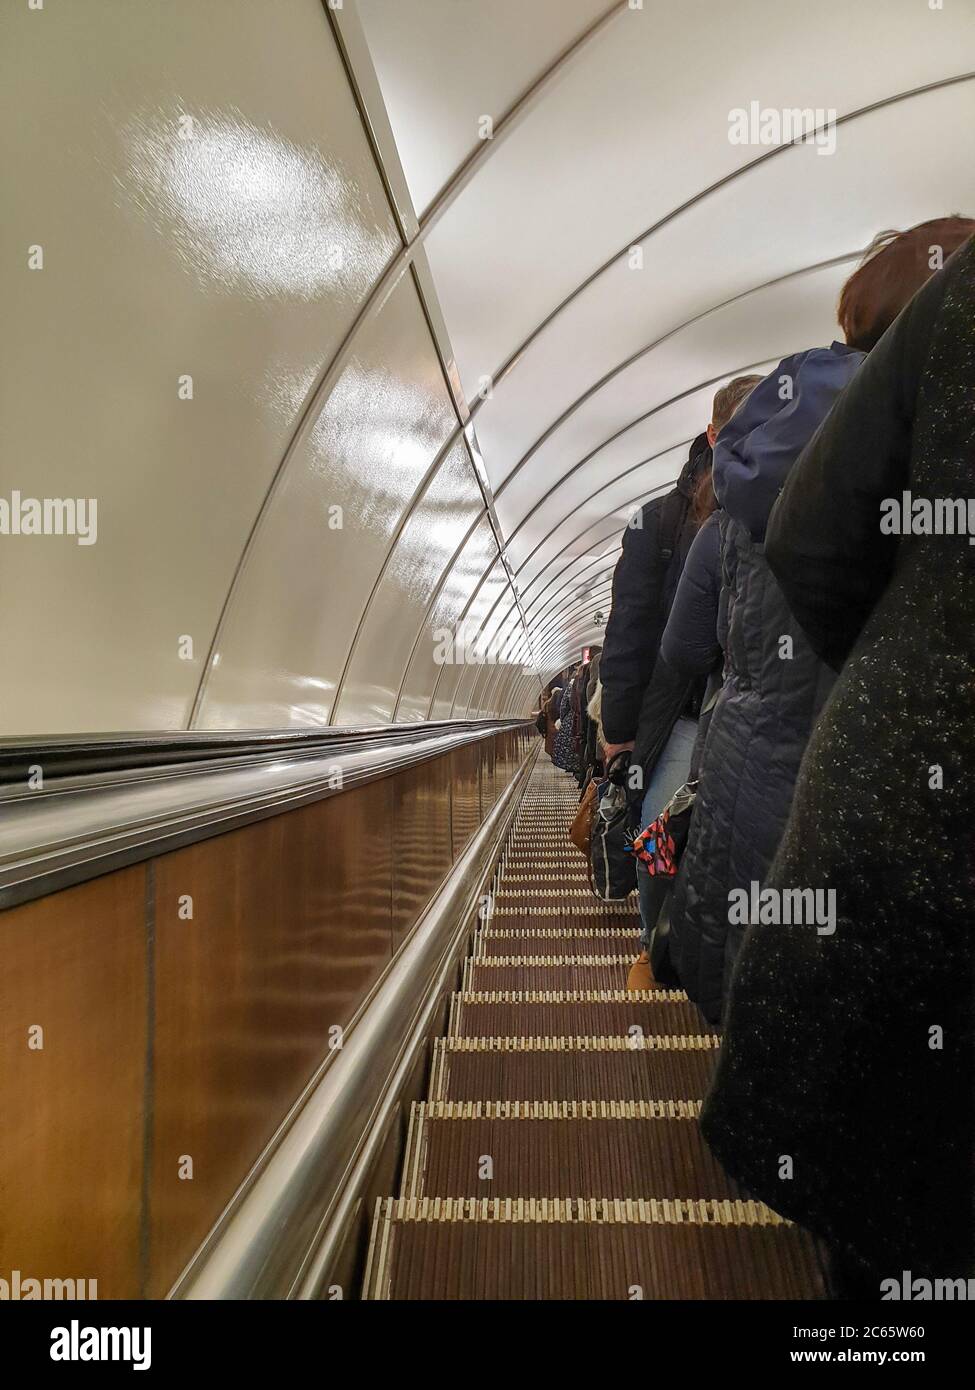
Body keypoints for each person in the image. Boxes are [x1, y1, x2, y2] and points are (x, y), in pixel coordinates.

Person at [702, 229, 975, 1296]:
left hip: (906, 814)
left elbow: (812, 533)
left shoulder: (956, 309)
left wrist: (910, 669)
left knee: (891, 1172)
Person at [667, 216, 975, 1026]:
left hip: (746, 757)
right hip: (838, 781)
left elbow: (696, 642)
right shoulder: (918, 437)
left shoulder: (769, 434)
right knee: (822, 1025)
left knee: (760, 1000)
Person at [624, 377, 762, 989]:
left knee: (664, 831)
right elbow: (632, 633)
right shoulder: (665, 521)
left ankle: (674, 961)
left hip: (707, 710)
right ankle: (684, 960)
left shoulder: (705, 523)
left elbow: (668, 641)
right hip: (721, 714)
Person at [598, 432, 713, 767]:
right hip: (674, 720)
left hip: (724, 723)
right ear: (714, 433)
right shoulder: (661, 520)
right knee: (657, 815)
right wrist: (620, 735)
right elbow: (627, 629)